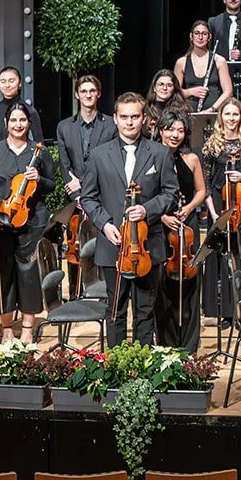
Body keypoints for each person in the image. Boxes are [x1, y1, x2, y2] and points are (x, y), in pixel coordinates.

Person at [81, 93, 180, 346]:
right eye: (124, 117)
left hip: (148, 247)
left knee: (145, 311)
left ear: (144, 118)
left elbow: (171, 194)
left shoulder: (160, 153)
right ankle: (117, 371)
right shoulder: (99, 155)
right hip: (112, 245)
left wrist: (147, 210)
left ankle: (142, 370)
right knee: (116, 310)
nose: (129, 122)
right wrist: (105, 224)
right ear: (115, 119)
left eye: (135, 117)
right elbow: (89, 198)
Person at [0, 102, 56, 343]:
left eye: (23, 120)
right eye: (14, 120)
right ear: (6, 123)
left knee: (28, 273)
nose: (18, 125)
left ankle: (28, 328)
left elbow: (52, 186)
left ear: (29, 123)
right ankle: (7, 327)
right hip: (0, 219)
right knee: (2, 272)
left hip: (33, 219)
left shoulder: (39, 152)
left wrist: (39, 179)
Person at [201, 95, 241, 330]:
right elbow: (205, 181)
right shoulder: (212, 142)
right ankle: (225, 312)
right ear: (221, 117)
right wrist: (213, 213)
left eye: (235, 114)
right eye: (227, 114)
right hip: (219, 203)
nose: (231, 118)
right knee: (222, 257)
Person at [155, 114, 208, 352]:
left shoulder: (192, 158)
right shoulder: (151, 157)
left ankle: (188, 345)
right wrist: (162, 216)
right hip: (161, 226)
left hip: (187, 227)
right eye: (169, 129)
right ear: (160, 131)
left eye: (179, 130)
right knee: (163, 285)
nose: (175, 135)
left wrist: (187, 209)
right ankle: (166, 344)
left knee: (191, 283)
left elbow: (201, 191)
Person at [57, 74, 116, 202]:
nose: (88, 95)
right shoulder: (64, 127)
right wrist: (76, 195)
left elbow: (111, 163)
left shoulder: (111, 125)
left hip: (103, 195)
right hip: (74, 195)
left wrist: (82, 182)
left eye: (92, 91)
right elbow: (64, 164)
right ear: (77, 95)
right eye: (83, 91)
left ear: (99, 94)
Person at [175, 19, 233, 112]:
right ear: (191, 36)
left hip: (213, 113)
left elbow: (228, 91)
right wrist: (190, 92)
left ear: (209, 37)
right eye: (197, 33)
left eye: (204, 34)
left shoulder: (219, 60)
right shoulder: (181, 62)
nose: (200, 37)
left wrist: (212, 109)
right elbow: (174, 92)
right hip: (189, 114)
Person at [0, 66, 42, 151]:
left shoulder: (30, 111)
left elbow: (40, 144)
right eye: (3, 81)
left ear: (19, 84)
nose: (7, 85)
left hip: (22, 160)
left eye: (11, 81)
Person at [145, 69, 191, 140]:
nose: (164, 88)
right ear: (154, 87)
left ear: (174, 89)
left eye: (169, 85)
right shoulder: (145, 109)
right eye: (161, 84)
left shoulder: (182, 111)